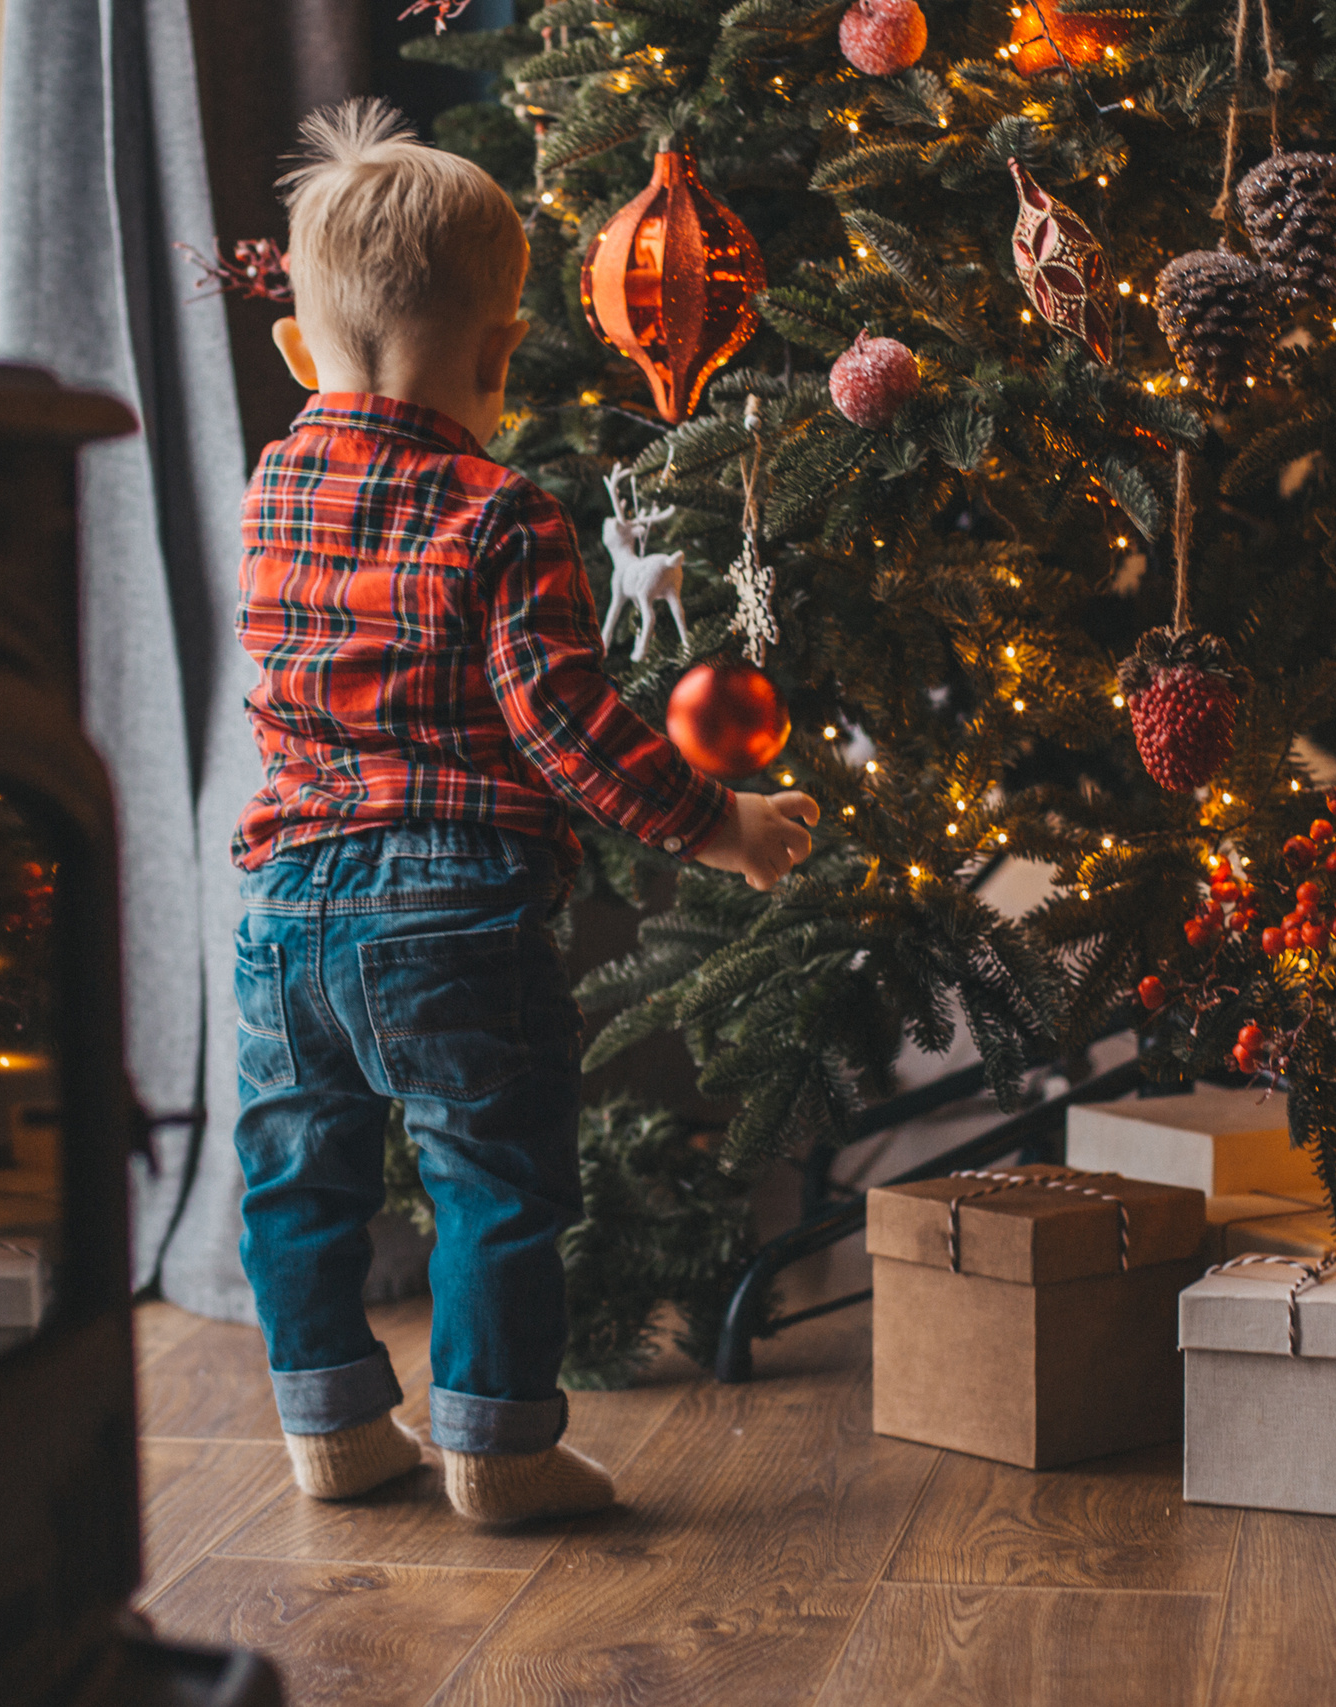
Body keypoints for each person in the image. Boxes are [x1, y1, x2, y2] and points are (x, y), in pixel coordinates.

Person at [228, 100, 817, 1525]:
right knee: (490, 1183)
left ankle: (331, 1430)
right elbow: (572, 736)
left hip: (281, 905)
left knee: (296, 1182)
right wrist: (721, 826)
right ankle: (494, 1446)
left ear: (302, 352)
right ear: (499, 354)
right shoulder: (501, 513)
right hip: (449, 908)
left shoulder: (274, 482)